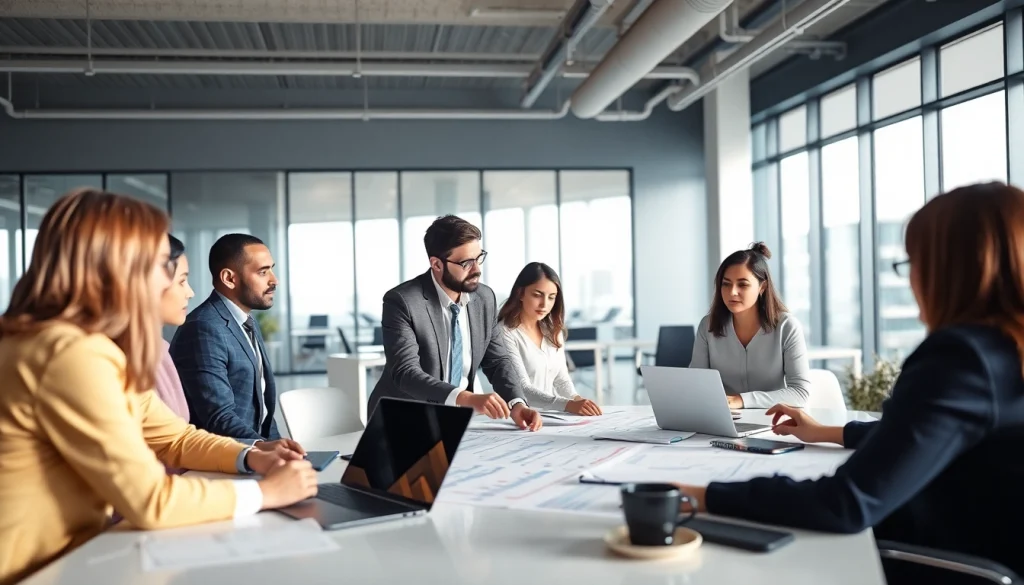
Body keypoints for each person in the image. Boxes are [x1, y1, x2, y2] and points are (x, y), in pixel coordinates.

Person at [675, 182, 1024, 583]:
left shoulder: (963, 358)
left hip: (945, 560)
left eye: (914, 262)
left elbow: (845, 503)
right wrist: (830, 431)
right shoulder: (1005, 352)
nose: (911, 282)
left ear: (949, 268)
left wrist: (702, 495)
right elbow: (921, 434)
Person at [0, 189, 317, 585]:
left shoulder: (87, 345)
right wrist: (267, 494)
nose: (174, 280)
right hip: (38, 571)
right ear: (119, 270)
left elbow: (176, 438)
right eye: (161, 266)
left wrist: (253, 457)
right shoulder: (68, 353)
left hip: (76, 558)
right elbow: (150, 500)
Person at [367, 215, 543, 431]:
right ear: (437, 264)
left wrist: (516, 403)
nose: (477, 269)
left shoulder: (484, 298)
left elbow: (497, 361)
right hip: (403, 419)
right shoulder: (402, 301)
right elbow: (406, 372)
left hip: (458, 421)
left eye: (479, 258)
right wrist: (467, 398)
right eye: (466, 263)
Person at [158, 235, 303, 458]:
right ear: (229, 278)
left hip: (256, 454)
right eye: (263, 272)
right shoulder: (204, 328)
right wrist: (262, 452)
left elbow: (262, 410)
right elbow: (218, 418)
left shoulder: (246, 321)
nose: (274, 280)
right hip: (225, 460)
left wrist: (281, 449)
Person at [690, 243, 810, 408]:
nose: (732, 292)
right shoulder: (708, 326)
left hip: (773, 422)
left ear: (762, 287)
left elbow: (800, 392)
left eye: (743, 284)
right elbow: (695, 384)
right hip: (722, 420)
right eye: (726, 284)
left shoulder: (787, 327)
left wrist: (741, 400)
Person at [497, 262, 601, 415]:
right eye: (537, 295)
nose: (544, 304)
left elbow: (561, 379)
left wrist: (577, 400)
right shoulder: (505, 332)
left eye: (551, 297)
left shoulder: (553, 330)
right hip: (519, 417)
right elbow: (522, 389)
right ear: (520, 293)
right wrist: (569, 405)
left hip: (552, 416)